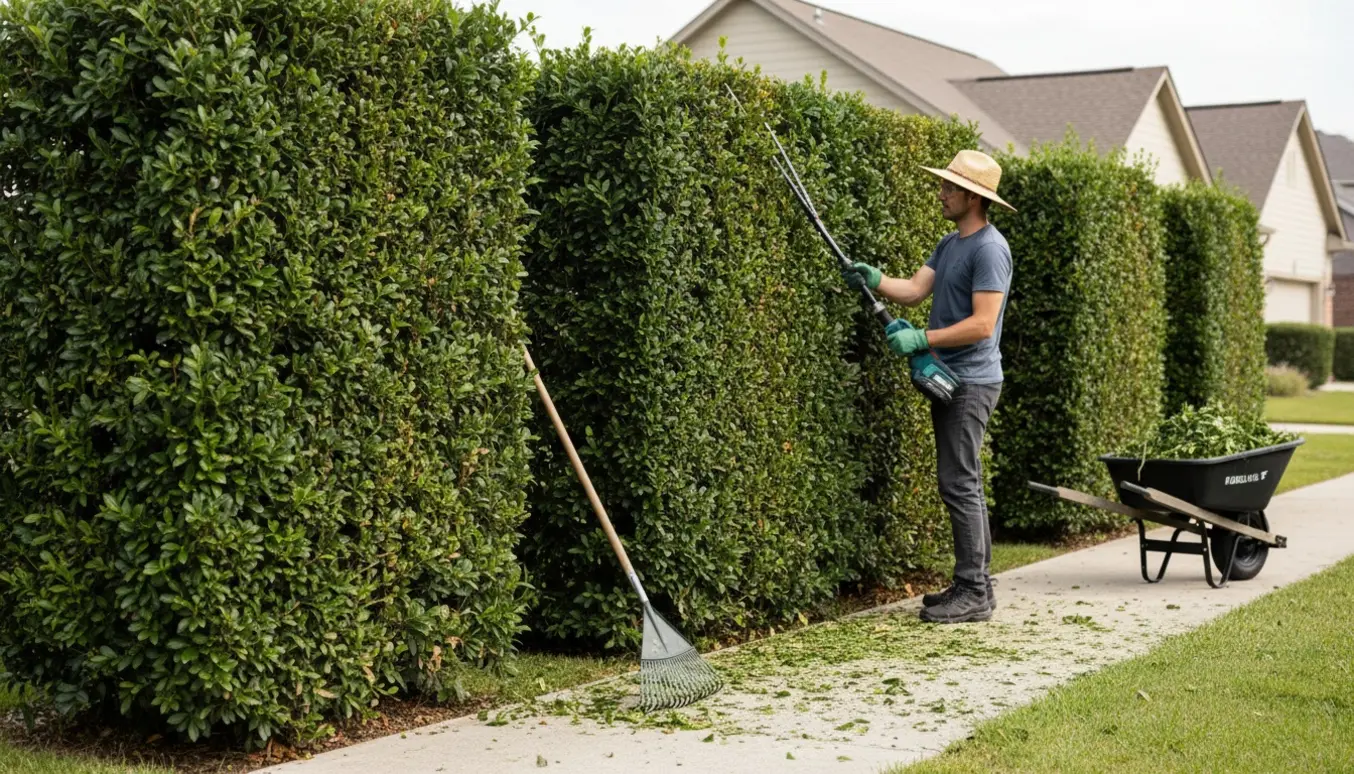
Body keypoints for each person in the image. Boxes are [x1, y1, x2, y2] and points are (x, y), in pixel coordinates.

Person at [843, 149, 1015, 624]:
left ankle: (974, 590)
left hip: (972, 381)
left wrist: (923, 338)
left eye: (949, 187)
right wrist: (875, 279)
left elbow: (982, 325)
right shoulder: (950, 243)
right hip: (951, 377)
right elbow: (916, 290)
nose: (941, 193)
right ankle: (974, 585)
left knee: (959, 482)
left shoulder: (990, 249)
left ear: (973, 197)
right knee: (962, 480)